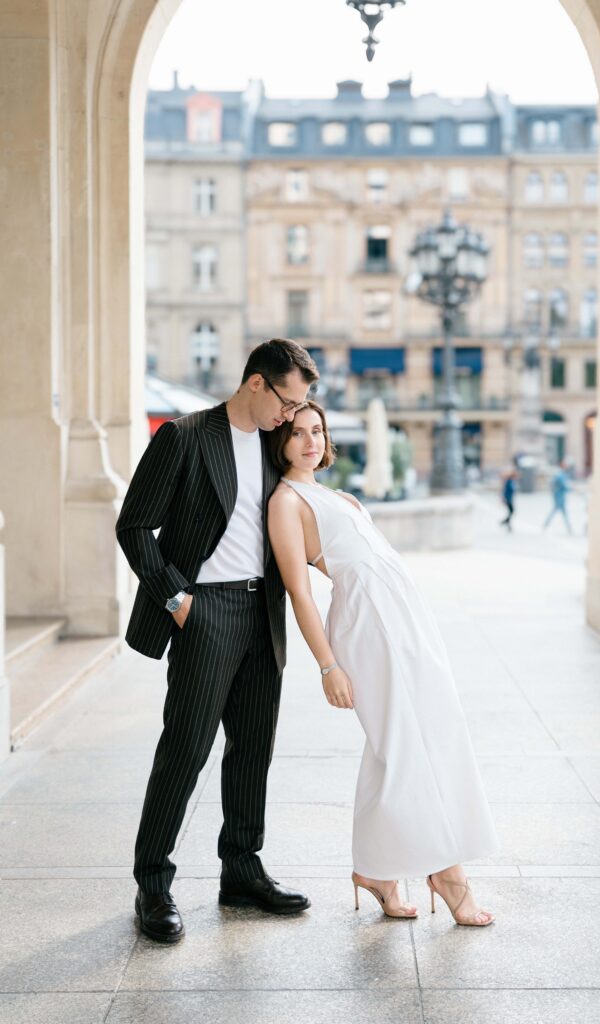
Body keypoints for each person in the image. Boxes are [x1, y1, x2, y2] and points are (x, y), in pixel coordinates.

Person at [116, 338, 318, 942]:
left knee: (253, 747)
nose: (291, 415)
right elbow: (134, 526)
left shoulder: (274, 444)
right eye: (287, 401)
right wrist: (177, 600)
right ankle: (153, 884)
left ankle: (242, 870)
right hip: (205, 610)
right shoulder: (184, 437)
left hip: (264, 609)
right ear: (256, 382)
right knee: (186, 748)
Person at [267, 402, 500, 926]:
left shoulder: (341, 496)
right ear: (280, 441)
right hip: (367, 627)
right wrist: (328, 666)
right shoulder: (286, 502)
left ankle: (376, 869)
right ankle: (448, 874)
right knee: (404, 745)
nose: (311, 441)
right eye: (298, 433)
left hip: (407, 622)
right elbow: (299, 592)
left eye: (317, 430)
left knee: (413, 740)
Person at [543, 458, 573, 533]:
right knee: (559, 511)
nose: (566, 466)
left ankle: (546, 524)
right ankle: (568, 527)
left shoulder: (562, 474)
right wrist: (571, 489)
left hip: (560, 496)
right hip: (559, 496)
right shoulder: (560, 474)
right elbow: (564, 485)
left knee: (559, 511)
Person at [500, 467, 518, 531]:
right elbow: (505, 490)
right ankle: (506, 521)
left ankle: (506, 522)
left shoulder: (512, 481)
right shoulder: (509, 481)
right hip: (508, 499)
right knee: (511, 511)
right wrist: (504, 498)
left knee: (511, 511)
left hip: (510, 498)